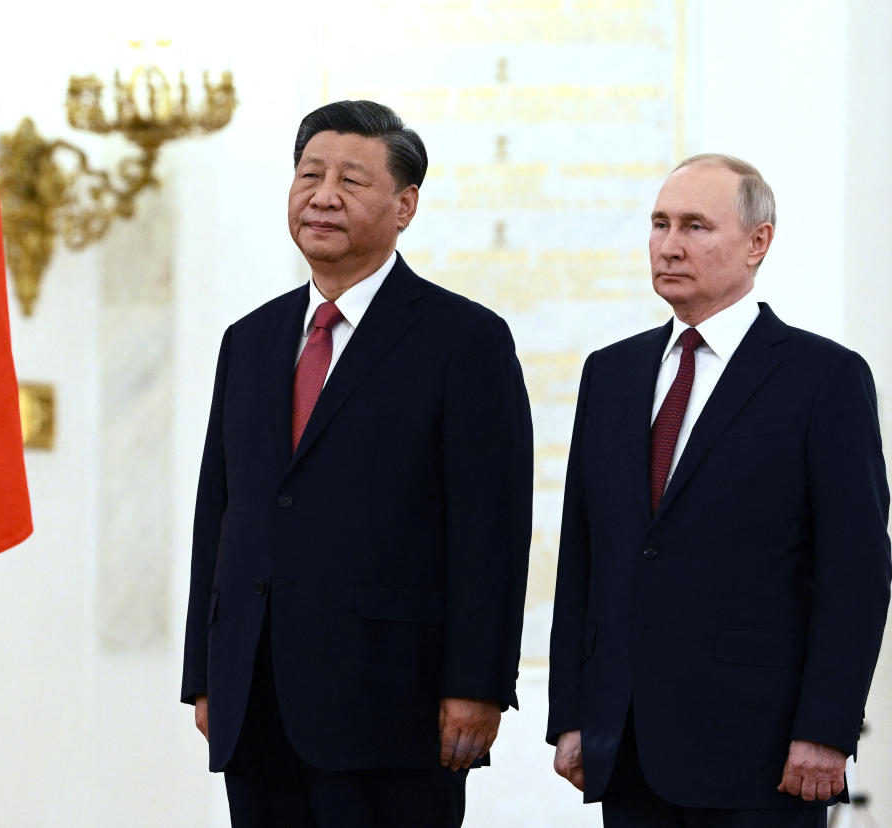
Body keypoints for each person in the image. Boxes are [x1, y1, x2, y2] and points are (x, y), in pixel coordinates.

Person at [180, 100, 533, 828]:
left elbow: (491, 528)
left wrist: (479, 683)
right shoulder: (249, 340)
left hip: (392, 701)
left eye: (351, 180)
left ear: (405, 206)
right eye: (309, 174)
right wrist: (206, 674)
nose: (323, 195)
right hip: (257, 696)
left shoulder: (464, 339)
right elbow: (220, 513)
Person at [547, 154, 891, 827]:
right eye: (659, 224)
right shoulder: (610, 374)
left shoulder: (824, 379)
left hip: (763, 753)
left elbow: (855, 572)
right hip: (630, 746)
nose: (670, 245)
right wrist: (572, 713)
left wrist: (826, 728)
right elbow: (584, 558)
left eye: (696, 226)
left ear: (758, 242)